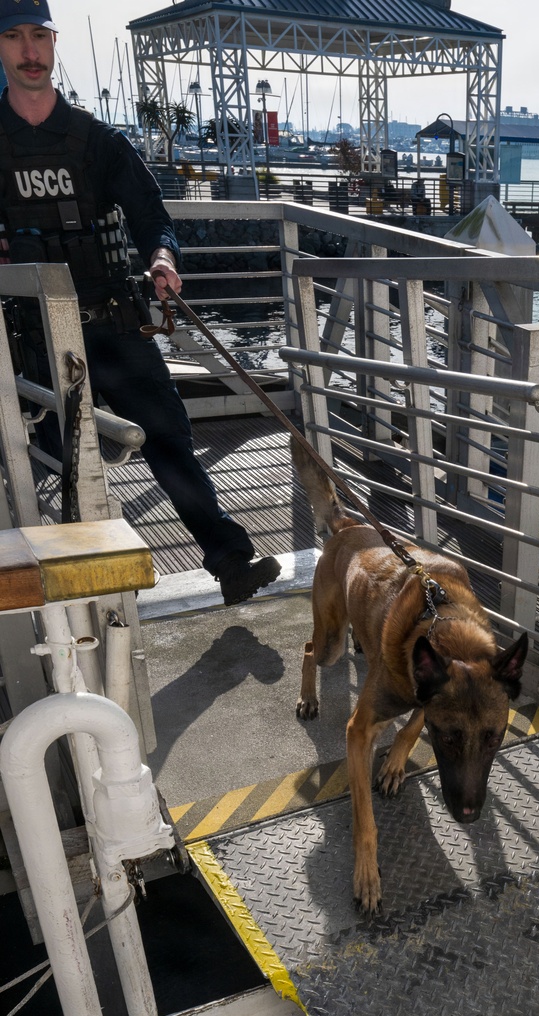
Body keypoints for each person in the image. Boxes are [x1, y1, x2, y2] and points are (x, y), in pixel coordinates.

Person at [0, 0, 280, 605]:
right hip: (29, 338)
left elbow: (153, 218)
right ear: (1, 48)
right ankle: (64, 597)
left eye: (38, 37)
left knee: (169, 440)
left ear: (53, 44)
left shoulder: (98, 142)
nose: (29, 50)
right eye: (14, 36)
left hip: (113, 324)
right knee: (44, 465)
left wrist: (162, 260)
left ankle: (230, 561)